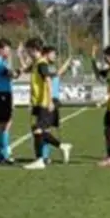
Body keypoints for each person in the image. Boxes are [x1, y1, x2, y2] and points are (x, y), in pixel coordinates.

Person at [23, 40, 73, 169]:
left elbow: (48, 81)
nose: (27, 53)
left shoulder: (42, 64)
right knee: (36, 130)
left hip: (44, 103)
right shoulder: (37, 64)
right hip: (37, 103)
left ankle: (40, 160)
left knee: (39, 130)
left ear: (34, 49)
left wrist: (50, 100)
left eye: (28, 50)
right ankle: (61, 147)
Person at [0, 39, 19, 163]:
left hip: (5, 94)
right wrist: (22, 66)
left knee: (5, 123)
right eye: (7, 49)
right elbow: (12, 74)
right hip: (2, 95)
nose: (9, 51)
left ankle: (1, 153)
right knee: (3, 124)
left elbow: (13, 74)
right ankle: (3, 153)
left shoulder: (3, 61)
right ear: (0, 49)